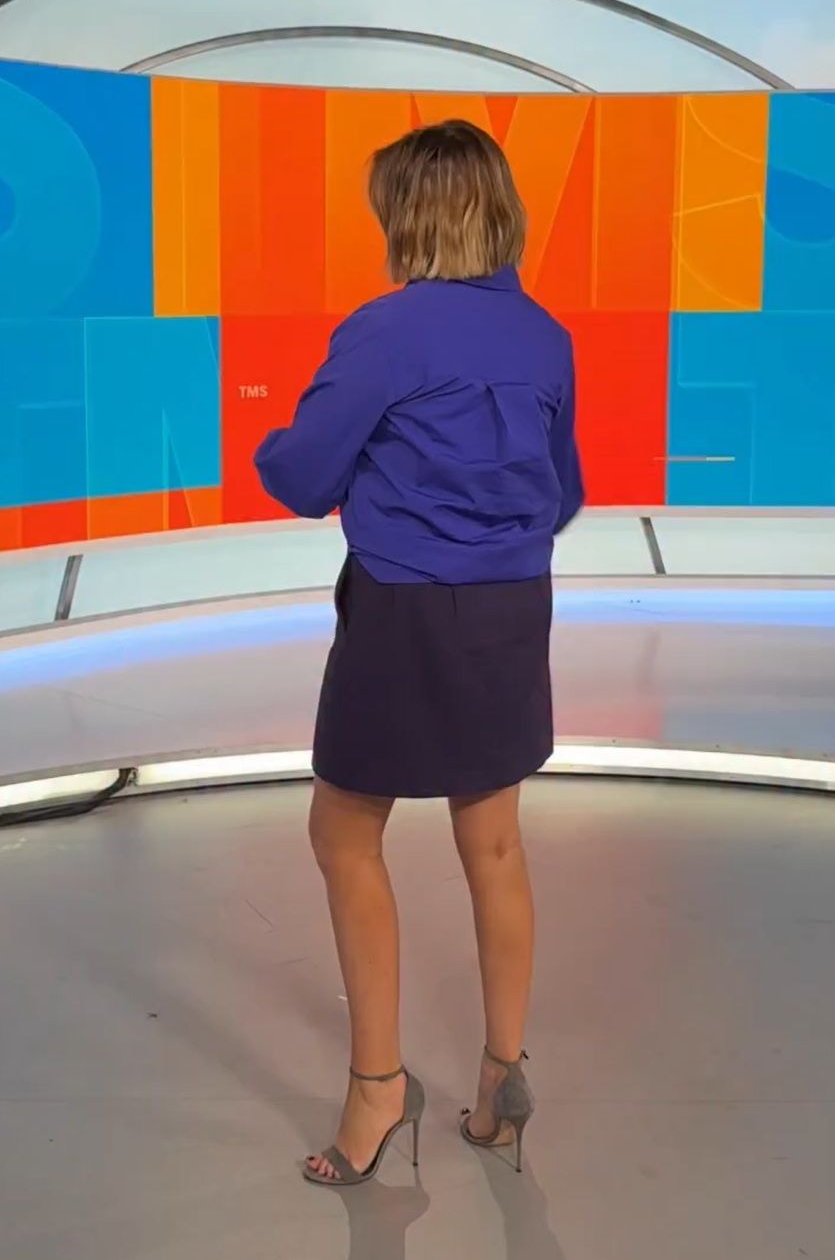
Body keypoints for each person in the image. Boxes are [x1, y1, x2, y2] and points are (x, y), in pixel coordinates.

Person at [254, 119, 583, 1188]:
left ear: (409, 215)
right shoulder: (544, 337)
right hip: (513, 607)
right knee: (493, 843)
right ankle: (500, 1078)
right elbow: (563, 492)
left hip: (403, 611)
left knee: (344, 832)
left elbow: (302, 478)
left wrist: (270, 444)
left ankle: (376, 1089)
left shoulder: (385, 331)